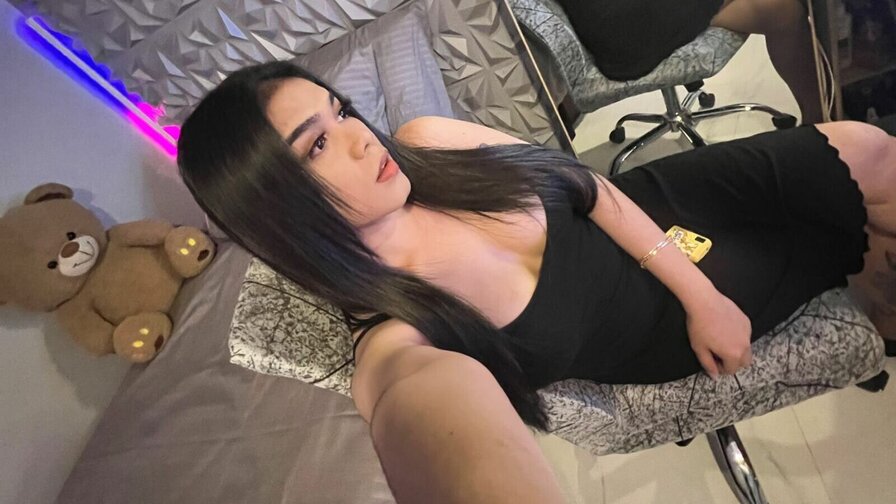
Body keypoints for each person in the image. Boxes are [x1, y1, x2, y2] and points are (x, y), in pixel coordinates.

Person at [177, 61, 895, 503]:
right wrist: (694, 300)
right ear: (277, 206)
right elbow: (415, 407)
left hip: (656, 209)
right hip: (654, 324)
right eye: (318, 145)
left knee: (867, 151)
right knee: (844, 235)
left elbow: (587, 186)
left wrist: (700, 291)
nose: (361, 137)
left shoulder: (427, 141)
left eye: (340, 111)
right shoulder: (399, 338)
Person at [553, 0, 825, 123]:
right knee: (783, 9)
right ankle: (821, 120)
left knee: (781, 9)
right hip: (626, 33)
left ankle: (820, 117)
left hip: (625, 20)